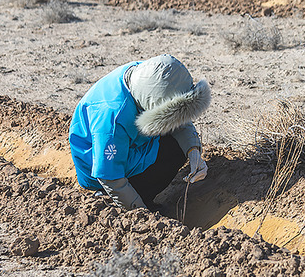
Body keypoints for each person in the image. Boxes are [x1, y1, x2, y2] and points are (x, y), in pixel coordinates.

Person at [69, 54, 210, 211]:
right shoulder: (112, 117)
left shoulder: (151, 74)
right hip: (96, 165)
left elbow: (177, 115)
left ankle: (138, 193)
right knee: (171, 150)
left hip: (129, 141)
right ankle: (114, 197)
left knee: (177, 146)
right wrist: (141, 214)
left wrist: (193, 151)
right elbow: (108, 176)